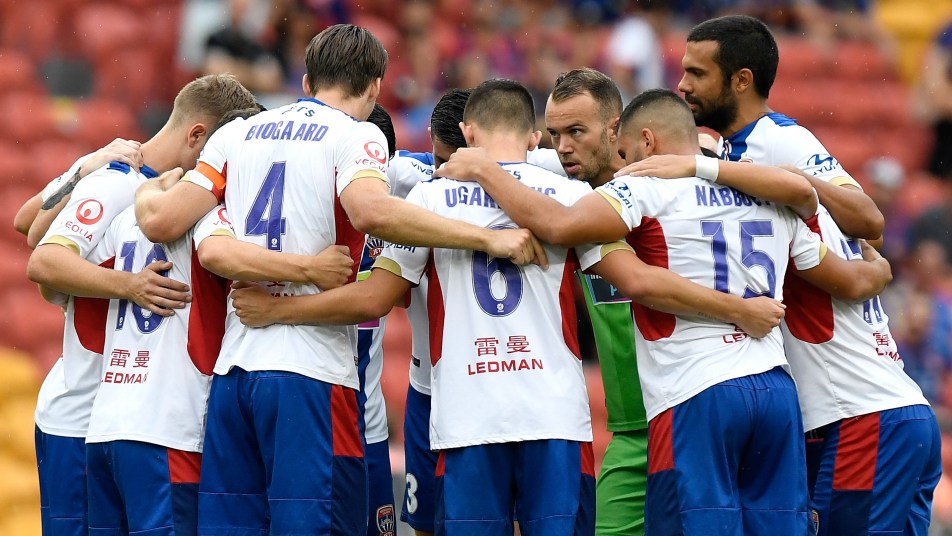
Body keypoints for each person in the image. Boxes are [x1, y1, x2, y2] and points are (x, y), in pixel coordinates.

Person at [131, 25, 542, 534]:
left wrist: (143, 188)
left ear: (306, 81)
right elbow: (371, 211)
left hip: (235, 374)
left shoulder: (234, 135)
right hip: (311, 373)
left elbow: (161, 221)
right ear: (374, 87)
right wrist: (485, 238)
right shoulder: (357, 135)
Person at [432, 88, 892, 535]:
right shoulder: (757, 186)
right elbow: (818, 214)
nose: (564, 146)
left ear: (633, 138)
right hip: (766, 392)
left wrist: (484, 169)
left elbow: (609, 260)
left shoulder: (637, 190)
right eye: (554, 135)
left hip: (692, 394)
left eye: (579, 132)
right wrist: (881, 270)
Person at [679, 15, 941, 534]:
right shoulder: (733, 156)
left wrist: (789, 180)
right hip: (885, 409)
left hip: (860, 414)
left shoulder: (779, 141)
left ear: (741, 80)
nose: (683, 85)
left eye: (697, 73)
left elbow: (869, 220)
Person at [25, 74, 258, 536]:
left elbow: (31, 230)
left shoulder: (147, 194)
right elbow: (43, 258)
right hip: (83, 415)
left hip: (111, 414)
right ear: (198, 136)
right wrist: (129, 284)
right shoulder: (120, 184)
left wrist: (81, 171)